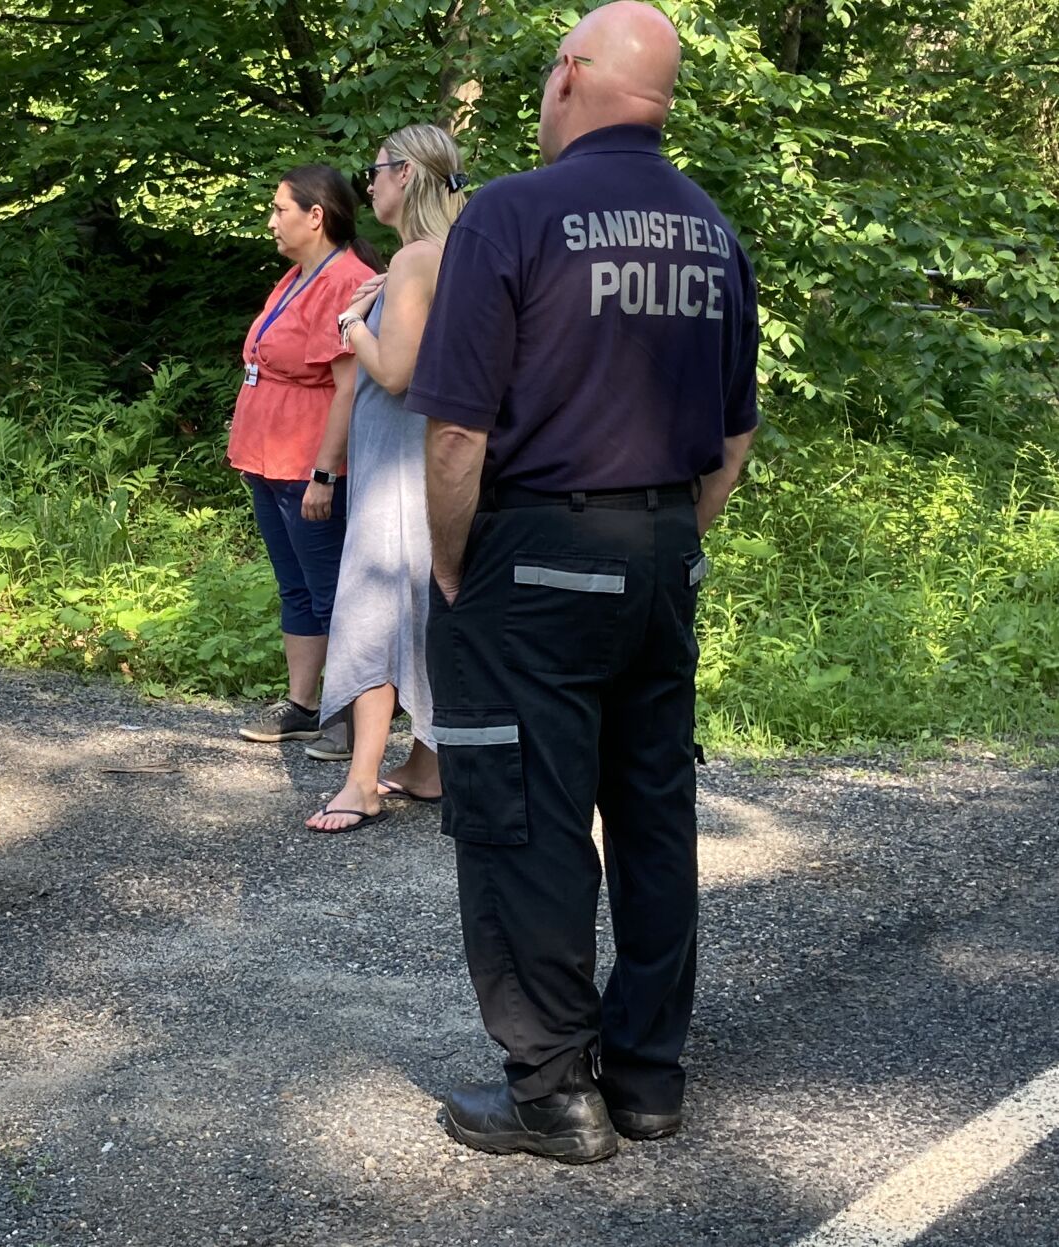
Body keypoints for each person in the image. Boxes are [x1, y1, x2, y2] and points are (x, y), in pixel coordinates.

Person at [409, 0, 759, 1162]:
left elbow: (457, 434)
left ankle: (555, 1091)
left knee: (524, 818)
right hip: (661, 551)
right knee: (653, 811)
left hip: (532, 551)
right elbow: (735, 440)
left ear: (568, 79)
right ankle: (650, 1076)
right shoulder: (712, 229)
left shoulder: (510, 214)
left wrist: (459, 564)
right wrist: (659, 534)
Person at [305, 126, 467, 834]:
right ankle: (427, 768)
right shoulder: (452, 253)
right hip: (427, 458)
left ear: (406, 176)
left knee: (376, 605)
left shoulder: (413, 262)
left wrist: (352, 322)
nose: (366, 184)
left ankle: (361, 781)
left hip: (400, 462)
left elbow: (396, 372)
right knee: (426, 606)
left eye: (375, 172)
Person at [231, 166, 382, 750]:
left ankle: (346, 719)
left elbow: (349, 389)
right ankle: (303, 704)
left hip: (309, 467)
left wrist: (324, 473)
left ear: (315, 216)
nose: (271, 222)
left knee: (332, 591)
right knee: (294, 586)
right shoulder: (297, 275)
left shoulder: (348, 281)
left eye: (280, 210)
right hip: (268, 460)